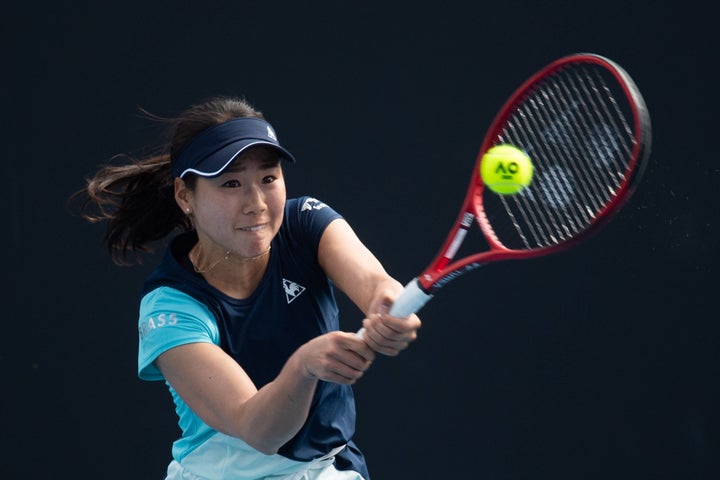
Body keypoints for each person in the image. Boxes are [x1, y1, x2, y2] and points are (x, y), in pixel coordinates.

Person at [75, 96, 422, 480]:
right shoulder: (170, 308)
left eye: (268, 178)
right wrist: (303, 367)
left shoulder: (307, 224)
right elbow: (258, 429)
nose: (256, 203)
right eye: (231, 183)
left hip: (329, 469)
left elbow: (376, 286)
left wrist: (387, 307)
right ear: (184, 195)